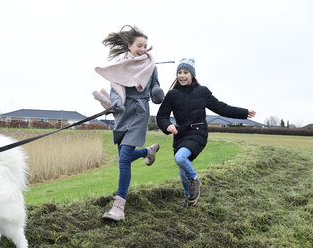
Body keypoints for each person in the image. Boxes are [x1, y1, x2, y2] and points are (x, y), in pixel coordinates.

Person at [156, 58, 256, 207]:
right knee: (182, 170)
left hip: (198, 133)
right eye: (179, 72)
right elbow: (161, 116)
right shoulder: (172, 95)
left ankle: (195, 180)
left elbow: (222, 108)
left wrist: (244, 113)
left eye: (186, 72)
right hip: (181, 135)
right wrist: (167, 126)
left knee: (180, 158)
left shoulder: (202, 92)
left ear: (192, 75)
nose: (182, 76)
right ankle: (189, 198)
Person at [92, 25, 165, 221]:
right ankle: (147, 152)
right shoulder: (120, 66)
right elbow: (115, 89)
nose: (143, 49)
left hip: (140, 113)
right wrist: (115, 103)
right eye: (139, 45)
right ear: (129, 45)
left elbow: (156, 86)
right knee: (126, 156)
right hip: (122, 114)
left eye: (145, 46)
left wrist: (158, 93)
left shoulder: (152, 66)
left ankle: (119, 206)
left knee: (124, 160)